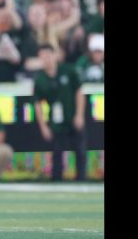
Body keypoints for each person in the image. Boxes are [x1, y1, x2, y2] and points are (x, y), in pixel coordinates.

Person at [33, 44, 86, 181]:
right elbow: (37, 104)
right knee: (57, 152)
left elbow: (79, 92)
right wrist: (44, 126)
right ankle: (57, 181)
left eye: (49, 55)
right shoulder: (40, 80)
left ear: (55, 55)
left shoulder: (68, 71)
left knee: (80, 150)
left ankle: (81, 179)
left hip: (72, 116)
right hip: (56, 121)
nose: (47, 59)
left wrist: (79, 115)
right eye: (43, 56)